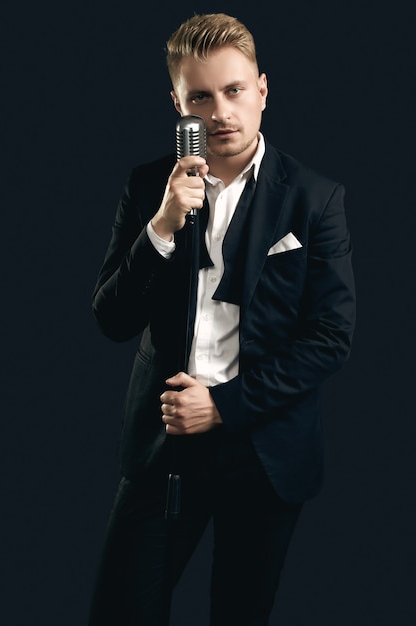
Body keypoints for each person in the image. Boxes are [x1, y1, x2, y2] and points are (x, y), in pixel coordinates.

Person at [88, 12, 356, 626]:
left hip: (264, 451)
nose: (221, 114)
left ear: (262, 89)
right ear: (178, 104)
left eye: (234, 91)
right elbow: (111, 319)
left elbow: (331, 337)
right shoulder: (149, 186)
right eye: (200, 97)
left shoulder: (315, 199)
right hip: (163, 442)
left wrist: (225, 405)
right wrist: (159, 228)